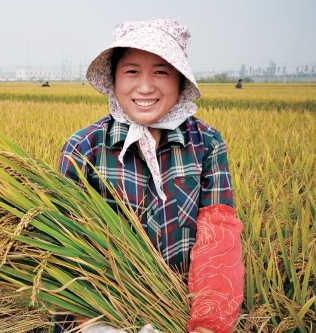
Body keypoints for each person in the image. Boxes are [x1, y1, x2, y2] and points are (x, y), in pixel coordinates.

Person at [57, 20, 244, 333]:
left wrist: (208, 325)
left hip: (183, 315)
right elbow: (67, 244)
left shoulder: (207, 144)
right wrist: (91, 323)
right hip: (101, 314)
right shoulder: (84, 147)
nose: (145, 87)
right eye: (131, 71)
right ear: (113, 79)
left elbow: (218, 240)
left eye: (160, 71)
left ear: (180, 80)